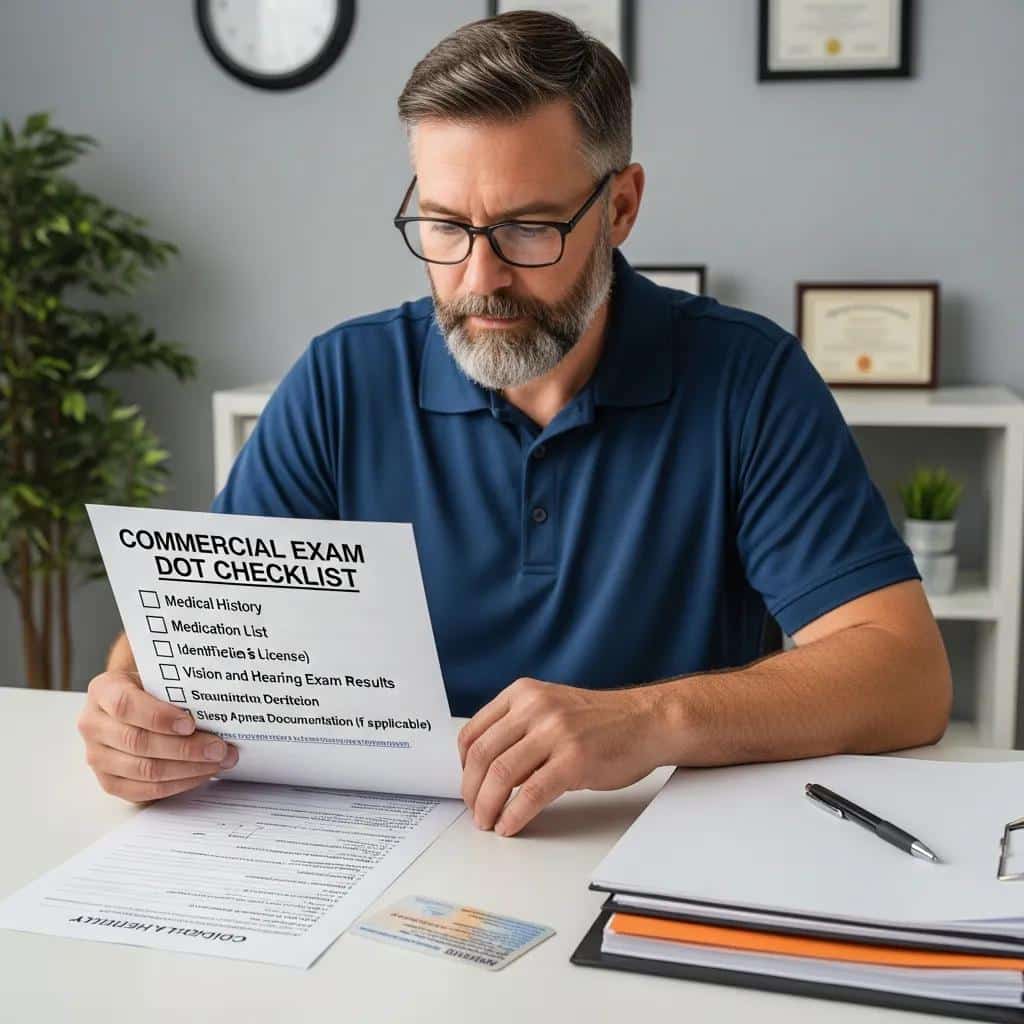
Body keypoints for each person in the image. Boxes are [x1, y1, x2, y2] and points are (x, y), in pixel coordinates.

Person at [77, 11, 951, 835]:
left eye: (528, 229)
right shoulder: (342, 379)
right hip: (379, 850)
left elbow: (906, 677)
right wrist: (132, 709)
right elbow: (194, 632)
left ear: (620, 207)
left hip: (646, 848)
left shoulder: (748, 380)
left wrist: (647, 719)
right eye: (446, 226)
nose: (478, 278)